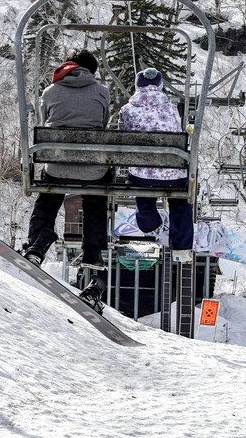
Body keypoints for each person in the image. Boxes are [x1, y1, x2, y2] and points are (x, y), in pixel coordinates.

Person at [21, 49, 112, 301]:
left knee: (49, 196)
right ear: (92, 71)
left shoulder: (50, 91)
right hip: (93, 169)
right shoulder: (102, 91)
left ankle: (39, 241)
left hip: (58, 165)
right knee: (95, 199)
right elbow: (103, 123)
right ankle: (93, 254)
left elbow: (43, 120)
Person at [118, 67, 193, 255]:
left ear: (137, 86)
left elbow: (121, 138)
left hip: (142, 175)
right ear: (159, 85)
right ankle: (182, 247)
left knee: (143, 188)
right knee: (180, 202)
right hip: (174, 173)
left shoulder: (127, 110)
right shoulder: (171, 108)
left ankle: (148, 222)